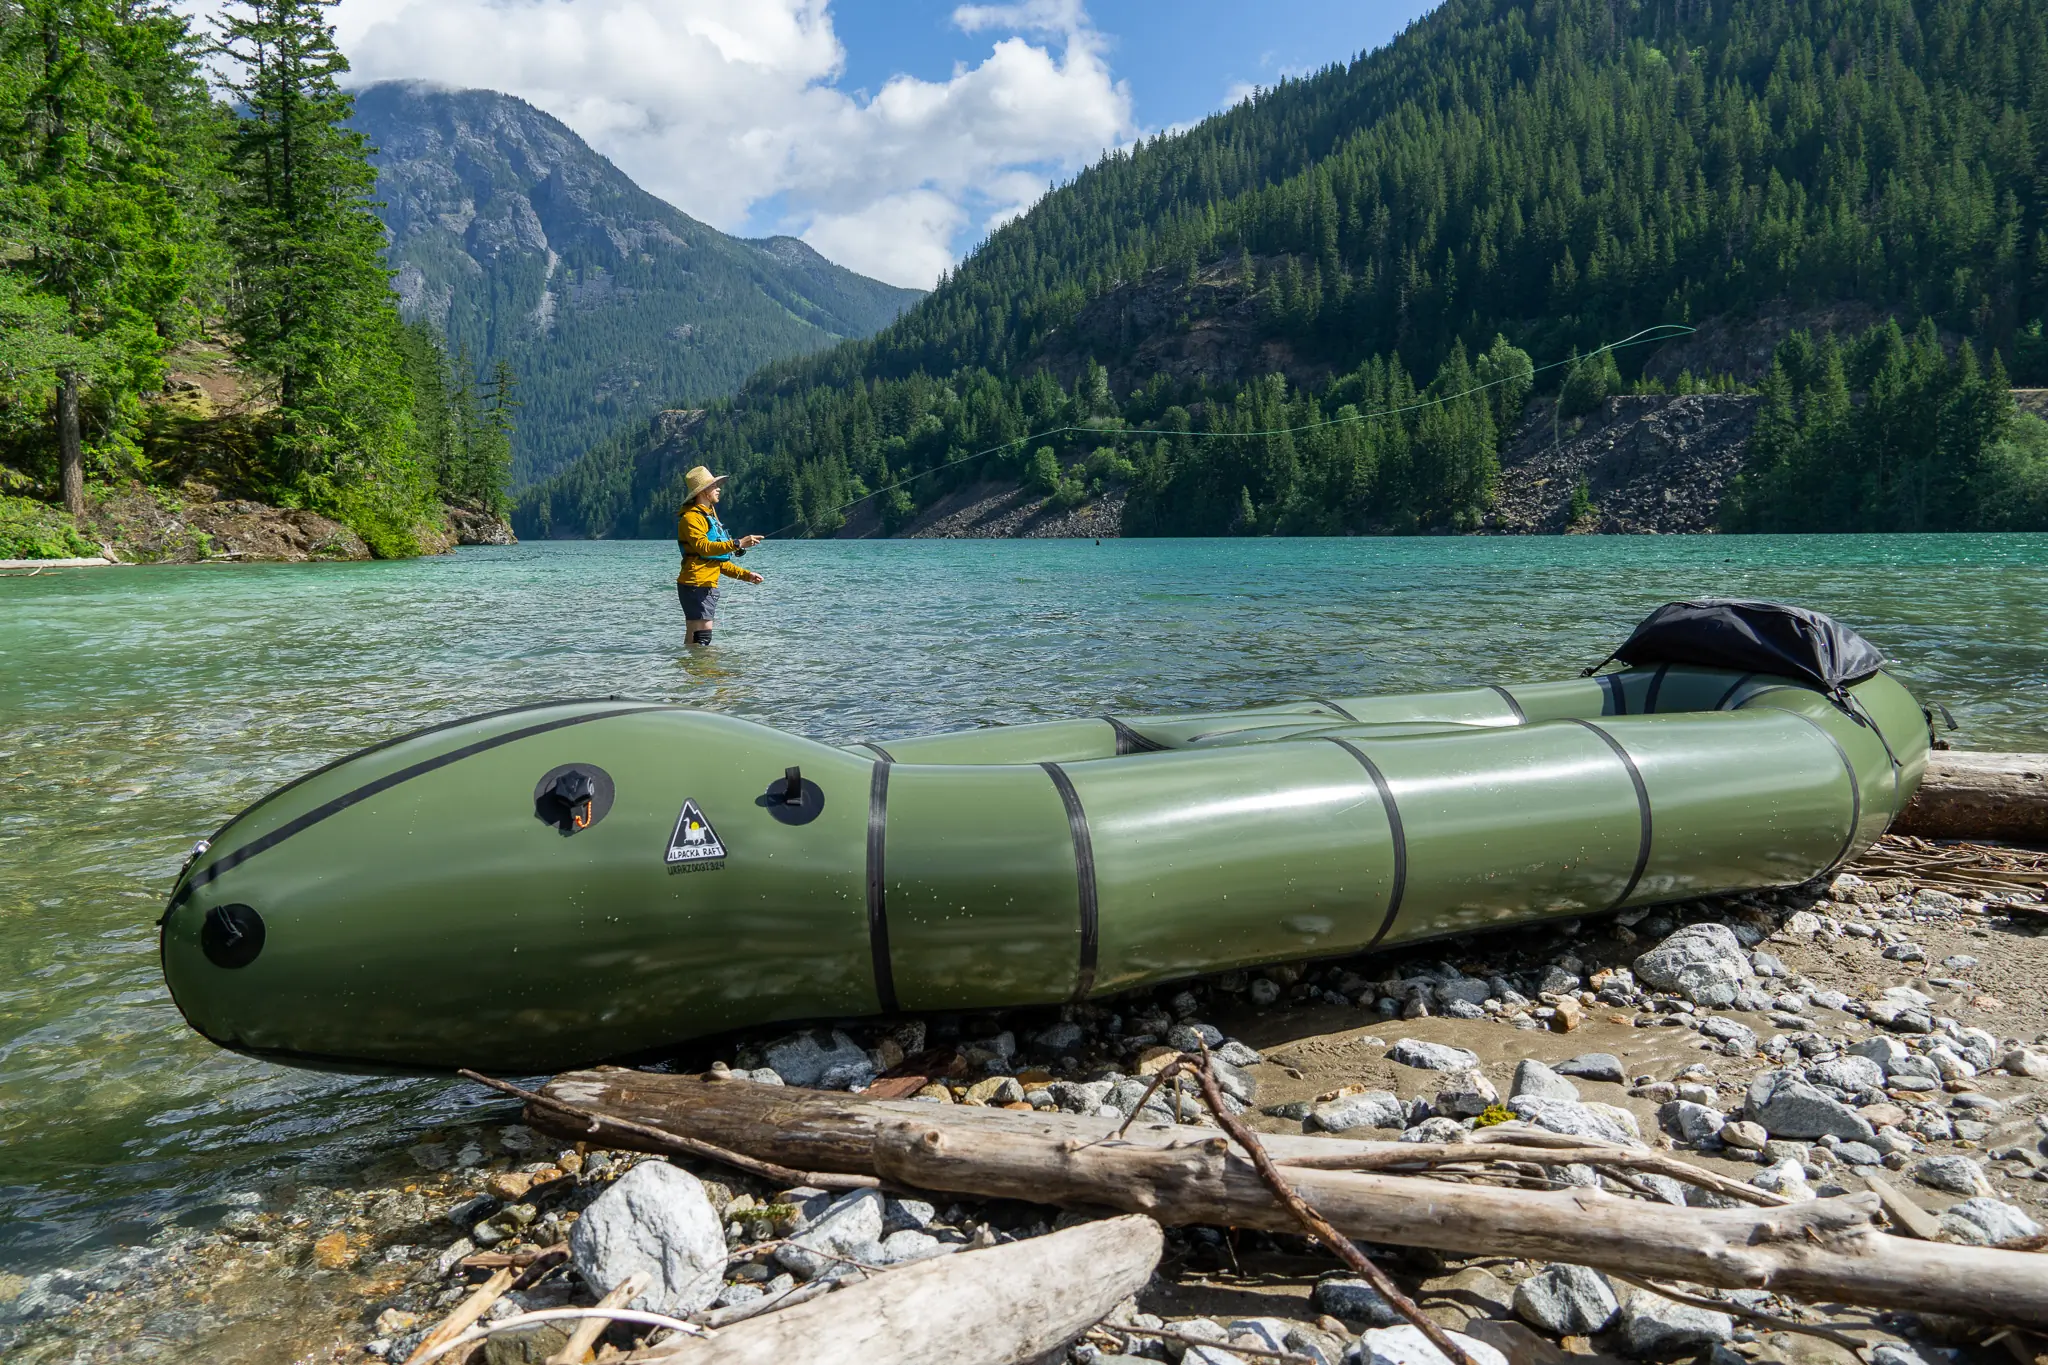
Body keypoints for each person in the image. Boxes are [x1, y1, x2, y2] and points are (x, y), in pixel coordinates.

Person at [676, 466, 762, 645]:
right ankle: (703, 670)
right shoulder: (691, 519)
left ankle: (693, 670)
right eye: (714, 485)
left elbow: (717, 562)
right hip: (697, 584)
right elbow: (704, 548)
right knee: (701, 636)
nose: (718, 488)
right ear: (703, 491)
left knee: (695, 634)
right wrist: (738, 543)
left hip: (700, 584)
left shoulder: (708, 517)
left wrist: (746, 575)